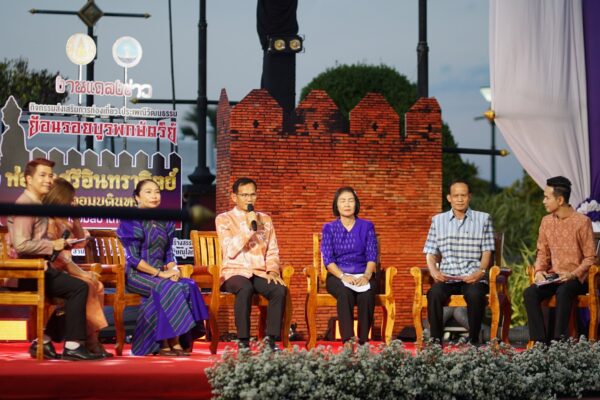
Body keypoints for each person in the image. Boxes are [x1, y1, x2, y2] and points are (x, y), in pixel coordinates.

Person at [7, 158, 102, 360]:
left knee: (79, 287)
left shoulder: (37, 205)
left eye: (50, 175)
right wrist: (54, 245)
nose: (48, 180)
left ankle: (47, 339)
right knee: (79, 287)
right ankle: (74, 345)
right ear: (28, 179)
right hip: (28, 271)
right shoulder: (26, 205)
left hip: (40, 268)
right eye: (42, 175)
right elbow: (21, 245)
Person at [117, 179, 208, 356]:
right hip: (138, 274)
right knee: (169, 287)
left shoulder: (165, 220)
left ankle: (179, 339)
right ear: (137, 197)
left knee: (187, 284)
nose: (154, 196)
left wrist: (173, 270)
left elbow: (168, 253)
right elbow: (133, 259)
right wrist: (161, 274)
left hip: (162, 273)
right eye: (148, 192)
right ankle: (166, 342)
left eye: (157, 192)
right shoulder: (130, 220)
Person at [215, 177, 287, 350]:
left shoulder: (266, 219)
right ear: (234, 197)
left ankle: (270, 340)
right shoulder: (224, 219)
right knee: (244, 287)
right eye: (244, 195)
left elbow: (272, 250)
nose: (249, 199)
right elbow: (230, 250)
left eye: (252, 195)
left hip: (259, 272)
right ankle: (244, 341)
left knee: (279, 289)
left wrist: (272, 271)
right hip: (234, 272)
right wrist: (248, 228)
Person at [43, 178, 112, 357]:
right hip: (51, 272)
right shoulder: (49, 221)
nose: (74, 202)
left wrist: (76, 218)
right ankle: (90, 341)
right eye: (71, 199)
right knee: (88, 285)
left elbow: (80, 242)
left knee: (97, 285)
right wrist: (82, 273)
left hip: (64, 271)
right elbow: (59, 257)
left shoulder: (65, 220)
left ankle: (87, 339)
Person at [524, 176, 597, 344]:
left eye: (547, 197)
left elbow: (590, 257)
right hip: (553, 277)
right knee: (530, 293)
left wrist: (573, 274)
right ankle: (540, 342)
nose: (543, 201)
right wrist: (540, 271)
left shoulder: (582, 222)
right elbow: (542, 252)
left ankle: (559, 342)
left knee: (564, 291)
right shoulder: (546, 221)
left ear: (560, 199)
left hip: (576, 279)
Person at [423, 180, 495, 345]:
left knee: (475, 294)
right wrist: (434, 271)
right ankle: (435, 339)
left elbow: (487, 252)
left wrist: (480, 272)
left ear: (469, 197)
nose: (460, 199)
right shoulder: (438, 220)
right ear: (449, 198)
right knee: (433, 293)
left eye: (463, 195)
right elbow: (431, 252)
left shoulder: (483, 219)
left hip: (473, 277)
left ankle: (474, 338)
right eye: (456, 195)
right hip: (447, 277)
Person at [321, 187, 377, 345]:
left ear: (356, 204)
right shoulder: (329, 228)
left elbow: (372, 255)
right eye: (343, 201)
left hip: (363, 273)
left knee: (367, 294)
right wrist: (343, 276)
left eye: (351, 200)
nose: (347, 204)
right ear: (336, 205)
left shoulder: (367, 226)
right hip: (338, 276)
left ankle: (364, 341)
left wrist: (366, 276)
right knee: (345, 292)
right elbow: (328, 260)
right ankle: (348, 341)